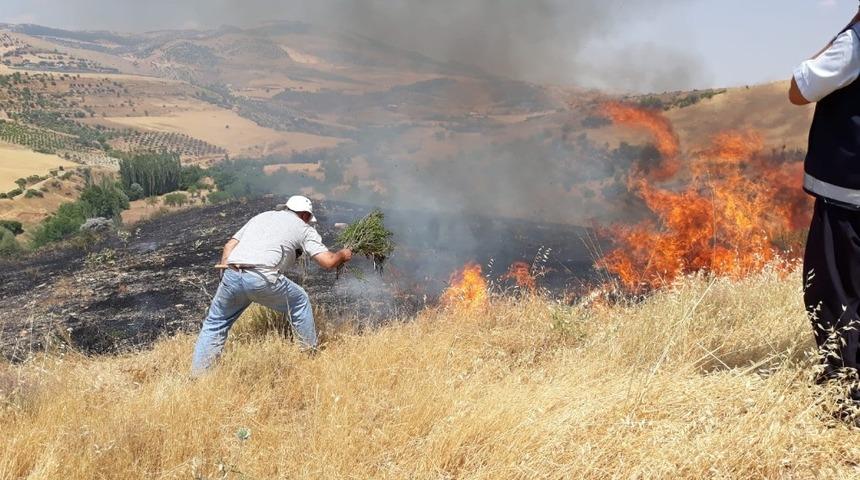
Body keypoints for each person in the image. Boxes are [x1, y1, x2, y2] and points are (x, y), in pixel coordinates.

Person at [191, 195, 352, 375]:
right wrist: (343, 255)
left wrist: (226, 280)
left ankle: (198, 376)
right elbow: (328, 262)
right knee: (300, 301)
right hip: (262, 276)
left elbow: (229, 246)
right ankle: (310, 356)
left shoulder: (261, 217)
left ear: (287, 208)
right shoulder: (304, 228)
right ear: (305, 215)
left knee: (215, 322)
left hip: (232, 273)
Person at [790, 6, 860, 400]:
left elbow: (798, 90)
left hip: (847, 199)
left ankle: (846, 397)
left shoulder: (853, 46)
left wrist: (849, 29)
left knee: (834, 295)